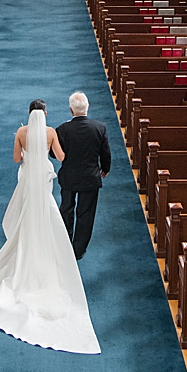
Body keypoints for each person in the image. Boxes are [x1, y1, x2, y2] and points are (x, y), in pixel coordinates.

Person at [0, 100, 100, 354]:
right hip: (43, 176)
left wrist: (27, 153)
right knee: (47, 212)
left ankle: (24, 245)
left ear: (28, 114)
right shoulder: (51, 132)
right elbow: (62, 157)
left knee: (25, 212)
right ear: (45, 114)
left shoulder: (21, 133)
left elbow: (15, 159)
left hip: (27, 177)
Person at [53, 91, 111, 261]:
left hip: (69, 177)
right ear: (88, 108)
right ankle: (78, 250)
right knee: (86, 214)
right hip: (90, 178)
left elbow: (53, 153)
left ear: (71, 110)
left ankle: (64, 244)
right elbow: (105, 153)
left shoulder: (62, 129)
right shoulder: (99, 128)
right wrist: (105, 169)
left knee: (66, 209)